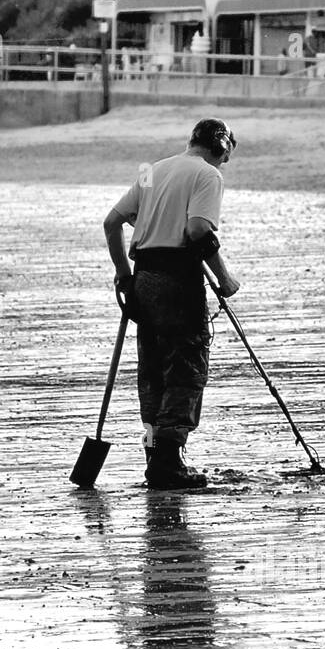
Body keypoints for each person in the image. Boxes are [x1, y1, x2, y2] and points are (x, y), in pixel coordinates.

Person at [103, 118, 240, 491]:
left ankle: (155, 454)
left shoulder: (153, 170)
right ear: (221, 145)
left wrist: (123, 274)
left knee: (152, 369)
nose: (225, 163)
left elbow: (112, 222)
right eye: (227, 154)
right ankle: (168, 459)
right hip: (178, 281)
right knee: (185, 366)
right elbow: (198, 230)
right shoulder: (207, 176)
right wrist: (224, 280)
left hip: (143, 280)